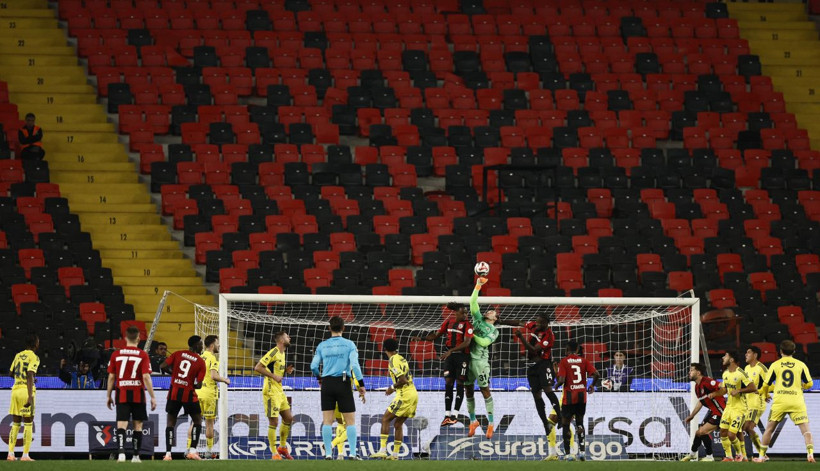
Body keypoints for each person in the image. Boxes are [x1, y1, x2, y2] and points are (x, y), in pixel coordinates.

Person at [310, 316, 367, 460]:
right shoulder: (349, 344)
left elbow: (313, 366)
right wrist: (361, 384)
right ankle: (353, 453)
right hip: (343, 382)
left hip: (327, 383)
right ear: (344, 328)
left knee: (327, 421)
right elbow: (355, 366)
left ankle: (328, 453)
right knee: (350, 421)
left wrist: (319, 378)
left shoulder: (322, 345)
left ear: (329, 328)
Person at [411, 302, 473, 426]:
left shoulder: (468, 325)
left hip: (462, 356)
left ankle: (455, 415)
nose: (466, 315)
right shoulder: (448, 322)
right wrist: (422, 338)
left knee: (460, 383)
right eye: (463, 312)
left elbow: (467, 343)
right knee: (449, 383)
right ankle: (447, 415)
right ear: (456, 313)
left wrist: (450, 351)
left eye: (466, 312)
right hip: (450, 357)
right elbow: (436, 335)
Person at [754, 339, 815, 463]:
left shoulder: (775, 365)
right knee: (806, 430)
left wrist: (765, 395)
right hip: (796, 401)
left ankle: (761, 458)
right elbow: (810, 383)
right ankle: (810, 455)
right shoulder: (801, 364)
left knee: (769, 430)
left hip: (780, 401)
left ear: (780, 351)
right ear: (794, 351)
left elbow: (766, 385)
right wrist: (802, 387)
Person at [106, 326, 157, 463]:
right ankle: (135, 456)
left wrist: (108, 395)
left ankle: (121, 453)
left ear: (125, 338)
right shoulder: (142, 354)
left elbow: (111, 377)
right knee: (138, 426)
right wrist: (152, 396)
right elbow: (146, 377)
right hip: (138, 394)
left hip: (122, 393)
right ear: (139, 338)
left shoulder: (116, 354)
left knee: (121, 424)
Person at [371, 338, 419, 460]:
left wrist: (391, 388)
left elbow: (403, 380)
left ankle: (382, 450)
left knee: (385, 418)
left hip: (405, 395)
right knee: (398, 424)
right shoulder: (401, 358)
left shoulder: (393, 360)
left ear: (385, 349)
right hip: (413, 393)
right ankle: (395, 455)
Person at [160, 335, 206, 461]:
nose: (202, 346)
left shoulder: (178, 353)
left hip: (174, 392)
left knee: (170, 423)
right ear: (196, 345)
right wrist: (189, 382)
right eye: (201, 344)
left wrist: (174, 375)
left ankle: (168, 454)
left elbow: (162, 366)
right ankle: (192, 451)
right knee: (197, 421)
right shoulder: (200, 362)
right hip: (188, 394)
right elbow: (199, 385)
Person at [514, 311, 560, 437]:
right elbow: (519, 322)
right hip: (532, 366)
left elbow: (534, 349)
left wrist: (521, 337)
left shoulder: (549, 335)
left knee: (548, 390)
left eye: (540, 322)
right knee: (536, 395)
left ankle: (560, 417)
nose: (538, 324)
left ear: (546, 323)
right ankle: (545, 424)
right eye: (537, 321)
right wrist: (501, 321)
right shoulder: (535, 326)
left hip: (544, 365)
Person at [254, 331, 295, 460]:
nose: (289, 337)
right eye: (287, 336)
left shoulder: (283, 353)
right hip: (271, 391)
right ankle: (274, 453)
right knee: (274, 421)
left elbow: (275, 369)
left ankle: (282, 447)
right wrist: (273, 376)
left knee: (288, 418)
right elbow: (258, 367)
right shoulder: (273, 352)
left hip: (279, 391)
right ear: (281, 340)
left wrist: (285, 371)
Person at [556, 340, 599, 461]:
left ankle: (568, 454)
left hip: (569, 398)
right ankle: (582, 452)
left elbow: (562, 379)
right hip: (581, 397)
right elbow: (597, 374)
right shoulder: (584, 361)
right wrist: (591, 386)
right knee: (580, 423)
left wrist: (555, 386)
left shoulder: (564, 361)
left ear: (567, 349)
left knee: (566, 424)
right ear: (578, 350)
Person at [189, 335, 230, 458]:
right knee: (209, 424)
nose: (219, 346)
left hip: (197, 392)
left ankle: (189, 450)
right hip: (209, 394)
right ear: (212, 345)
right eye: (217, 343)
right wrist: (225, 379)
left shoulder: (199, 357)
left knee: (193, 423)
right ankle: (208, 451)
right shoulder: (212, 358)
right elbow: (213, 376)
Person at [712, 351, 756, 462]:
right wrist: (715, 394)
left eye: (725, 356)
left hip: (740, 408)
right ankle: (729, 456)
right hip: (729, 407)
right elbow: (724, 390)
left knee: (732, 435)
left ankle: (739, 454)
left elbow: (753, 387)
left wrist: (739, 390)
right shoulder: (725, 373)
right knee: (723, 431)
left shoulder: (741, 373)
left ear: (731, 360)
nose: (723, 357)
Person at [6, 333, 39, 462]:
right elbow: (30, 373)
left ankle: (10, 454)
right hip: (26, 391)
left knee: (15, 423)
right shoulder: (34, 357)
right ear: (36, 344)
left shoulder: (18, 355)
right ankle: (25, 456)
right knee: (28, 424)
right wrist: (30, 396)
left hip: (15, 390)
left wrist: (20, 378)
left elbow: (10, 373)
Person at [680, 362, 723, 462]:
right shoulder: (697, 387)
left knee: (703, 431)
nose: (689, 372)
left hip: (721, 411)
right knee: (698, 433)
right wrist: (692, 415)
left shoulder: (707, 382)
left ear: (698, 373)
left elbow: (723, 387)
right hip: (713, 411)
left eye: (691, 370)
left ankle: (710, 456)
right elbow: (701, 401)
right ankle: (692, 454)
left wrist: (715, 393)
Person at [742, 345, 768, 459]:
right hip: (748, 403)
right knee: (746, 428)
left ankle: (760, 454)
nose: (746, 354)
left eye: (748, 352)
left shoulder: (761, 368)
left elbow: (770, 383)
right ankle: (762, 454)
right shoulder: (746, 368)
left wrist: (765, 393)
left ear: (755, 355)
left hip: (757, 403)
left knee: (747, 427)